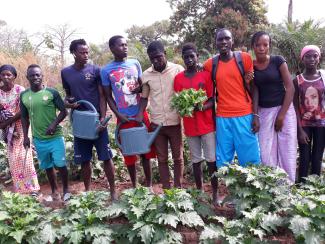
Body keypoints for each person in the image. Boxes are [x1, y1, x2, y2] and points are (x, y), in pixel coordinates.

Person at [61, 39, 116, 200]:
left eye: (87, 52)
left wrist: (102, 119)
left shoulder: (95, 70)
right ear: (74, 53)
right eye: (82, 52)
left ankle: (113, 191)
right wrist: (69, 103)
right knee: (84, 159)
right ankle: (88, 191)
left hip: (96, 120)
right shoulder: (66, 73)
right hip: (80, 122)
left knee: (106, 157)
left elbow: (102, 96)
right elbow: (68, 95)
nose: (86, 55)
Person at [100, 35, 155, 188]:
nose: (125, 47)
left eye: (126, 45)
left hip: (140, 114)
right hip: (124, 117)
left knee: (145, 151)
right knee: (129, 153)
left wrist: (140, 111)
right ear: (112, 48)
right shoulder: (106, 71)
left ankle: (149, 186)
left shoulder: (135, 63)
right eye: (121, 45)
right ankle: (135, 186)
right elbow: (108, 96)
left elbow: (143, 87)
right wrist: (118, 114)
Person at [203, 28, 261, 168]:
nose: (224, 42)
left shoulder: (244, 58)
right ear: (215, 43)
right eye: (220, 39)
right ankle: (230, 188)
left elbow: (254, 88)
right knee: (223, 160)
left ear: (232, 41)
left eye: (227, 38)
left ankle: (250, 188)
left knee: (250, 159)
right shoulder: (210, 64)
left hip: (244, 115)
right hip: (222, 117)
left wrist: (255, 115)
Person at [174, 43, 218, 204]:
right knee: (196, 160)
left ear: (197, 56)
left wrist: (199, 106)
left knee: (211, 160)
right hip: (190, 126)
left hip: (207, 125)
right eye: (186, 57)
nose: (189, 59)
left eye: (192, 56)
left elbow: (212, 100)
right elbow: (178, 101)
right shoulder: (178, 79)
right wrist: (185, 108)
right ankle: (199, 191)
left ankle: (214, 192)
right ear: (183, 59)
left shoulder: (206, 76)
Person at [251, 31, 297, 182]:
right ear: (253, 47)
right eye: (258, 45)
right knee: (266, 151)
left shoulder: (278, 61)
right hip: (264, 112)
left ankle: (287, 187)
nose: (262, 48)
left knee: (287, 149)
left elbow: (290, 88)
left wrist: (282, 116)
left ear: (269, 46)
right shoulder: (251, 67)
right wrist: (255, 114)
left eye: (265, 44)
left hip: (284, 109)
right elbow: (254, 90)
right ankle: (271, 186)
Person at [20, 64, 70, 201]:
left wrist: (53, 124)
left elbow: (64, 111)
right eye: (32, 75)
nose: (35, 77)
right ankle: (54, 192)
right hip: (38, 139)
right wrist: (26, 137)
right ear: (27, 77)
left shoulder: (52, 92)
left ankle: (66, 190)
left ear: (42, 76)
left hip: (55, 137)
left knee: (60, 164)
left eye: (38, 75)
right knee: (47, 166)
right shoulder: (24, 95)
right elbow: (24, 118)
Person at [141, 40, 184, 189]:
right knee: (162, 158)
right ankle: (167, 190)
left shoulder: (178, 70)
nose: (156, 61)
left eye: (159, 57)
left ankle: (178, 189)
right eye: (152, 58)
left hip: (175, 122)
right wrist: (140, 114)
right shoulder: (146, 75)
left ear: (165, 54)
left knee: (178, 158)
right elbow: (144, 97)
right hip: (157, 124)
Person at [0, 64, 40, 195]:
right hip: (8, 129)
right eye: (3, 74)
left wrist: (8, 121)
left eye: (9, 75)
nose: (6, 77)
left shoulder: (20, 90)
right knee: (13, 158)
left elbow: (23, 110)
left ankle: (33, 188)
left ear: (14, 77)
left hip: (21, 125)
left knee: (24, 155)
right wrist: (4, 124)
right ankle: (20, 189)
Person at [293, 45, 325, 182]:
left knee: (317, 156)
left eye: (315, 56)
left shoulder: (324, 77)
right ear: (302, 58)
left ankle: (315, 188)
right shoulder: (298, 80)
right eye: (308, 56)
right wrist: (299, 130)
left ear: (319, 58)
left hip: (322, 124)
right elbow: (294, 106)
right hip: (304, 125)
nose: (311, 59)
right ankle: (301, 187)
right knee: (305, 157)